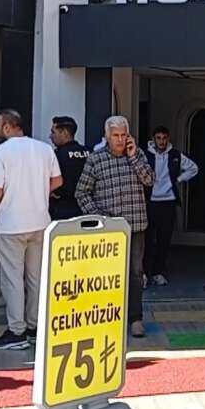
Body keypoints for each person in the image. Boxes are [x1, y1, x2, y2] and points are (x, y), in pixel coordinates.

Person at [0, 109, 62, 350]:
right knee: (36, 277)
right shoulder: (44, 149)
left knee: (12, 279)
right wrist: (38, 193)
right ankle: (34, 327)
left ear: (8, 127)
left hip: (11, 224)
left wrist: (1, 200)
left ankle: (16, 331)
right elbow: (58, 180)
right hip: (40, 222)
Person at [75, 116, 154, 338]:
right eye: (115, 136)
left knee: (136, 273)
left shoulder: (138, 155)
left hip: (135, 225)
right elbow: (81, 192)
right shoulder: (95, 159)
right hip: (108, 229)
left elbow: (149, 180)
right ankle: (109, 318)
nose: (119, 140)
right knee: (108, 275)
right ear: (107, 137)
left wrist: (133, 156)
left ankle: (135, 318)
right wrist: (99, 217)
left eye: (123, 135)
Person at [141, 125, 199, 287]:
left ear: (168, 139)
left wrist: (178, 180)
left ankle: (158, 272)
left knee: (164, 239)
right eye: (158, 138)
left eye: (164, 138)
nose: (161, 141)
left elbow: (193, 168)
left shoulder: (175, 155)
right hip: (149, 202)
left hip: (168, 202)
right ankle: (144, 273)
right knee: (147, 239)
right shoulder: (144, 154)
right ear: (153, 139)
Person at [48, 116, 89, 220]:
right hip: (86, 208)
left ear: (65, 133)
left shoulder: (57, 155)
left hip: (62, 209)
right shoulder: (88, 152)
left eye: (53, 132)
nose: (50, 136)